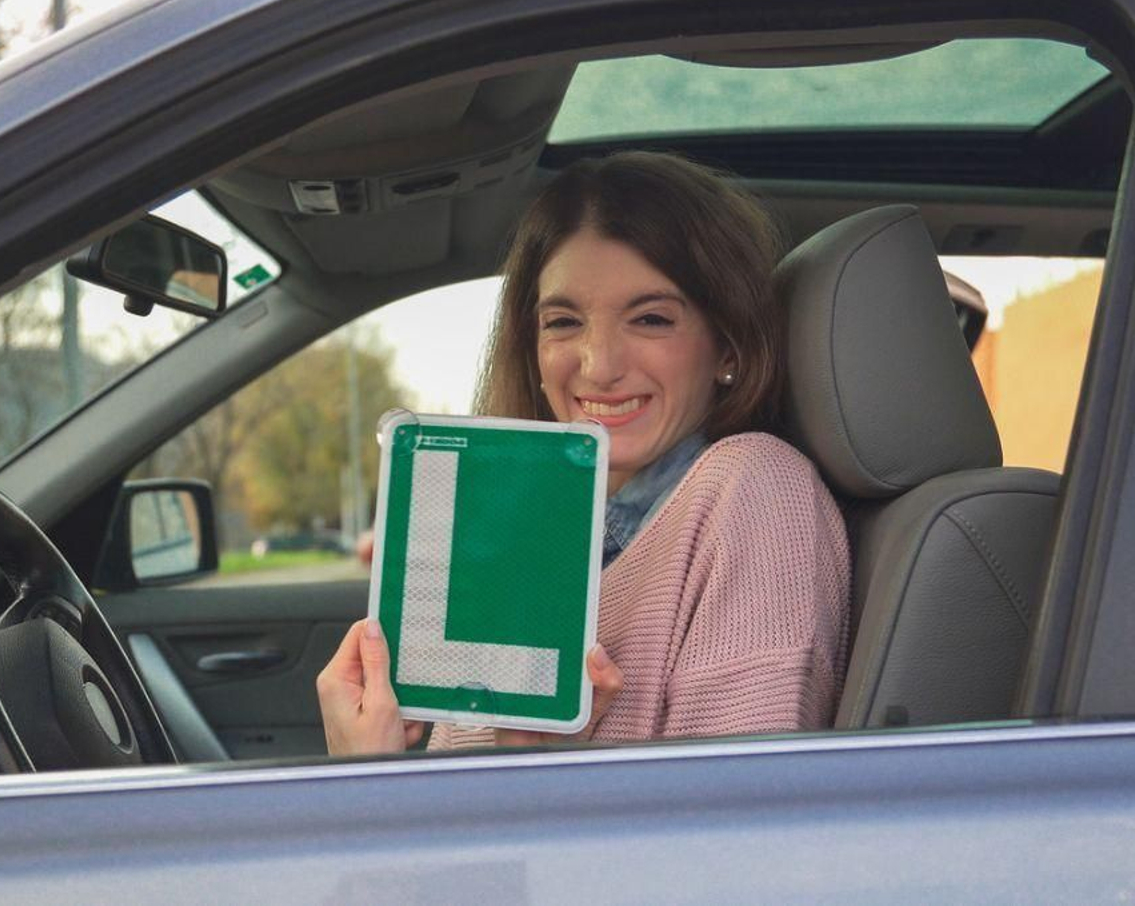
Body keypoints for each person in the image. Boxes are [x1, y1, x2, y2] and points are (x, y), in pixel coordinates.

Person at [317, 151, 850, 756]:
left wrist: (374, 792)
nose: (598, 367)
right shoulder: (518, 540)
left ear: (727, 349)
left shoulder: (755, 489)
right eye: (564, 322)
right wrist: (371, 768)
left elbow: (737, 828)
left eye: (651, 319)